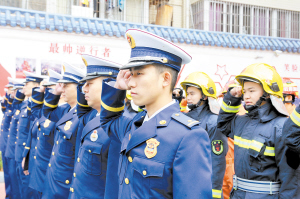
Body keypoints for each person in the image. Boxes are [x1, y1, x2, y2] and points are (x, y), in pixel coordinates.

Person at [100, 29, 212, 198]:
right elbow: (108, 121)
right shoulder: (135, 125)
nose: (130, 82)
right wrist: (117, 90)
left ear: (166, 79)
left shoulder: (188, 137)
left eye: (139, 73)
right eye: (131, 74)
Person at [217, 63, 298, 198]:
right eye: (245, 91)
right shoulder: (241, 121)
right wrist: (232, 98)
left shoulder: (281, 127)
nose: (246, 96)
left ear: (267, 93)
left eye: (252, 90)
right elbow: (223, 125)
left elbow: (290, 179)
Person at [68, 54, 122, 199]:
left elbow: (113, 186)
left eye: (90, 83)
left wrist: (114, 91)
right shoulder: (92, 117)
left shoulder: (118, 125)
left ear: (109, 85)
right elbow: (81, 109)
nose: (84, 89)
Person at [180, 72, 228, 199]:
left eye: (192, 94)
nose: (188, 97)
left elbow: (217, 162)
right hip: (184, 182)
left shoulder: (214, 122)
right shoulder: (182, 118)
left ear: (205, 96)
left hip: (205, 187)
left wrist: (214, 194)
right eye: (187, 94)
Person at [42, 63, 85, 199]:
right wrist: (55, 92)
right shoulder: (66, 109)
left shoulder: (83, 115)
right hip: (54, 180)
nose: (63, 89)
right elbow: (48, 112)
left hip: (65, 184)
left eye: (66, 86)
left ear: (79, 87)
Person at [27, 69, 64, 194]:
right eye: (47, 88)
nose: (49, 91)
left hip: (50, 172)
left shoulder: (61, 112)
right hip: (39, 170)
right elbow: (34, 110)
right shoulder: (47, 112)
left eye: (51, 88)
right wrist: (39, 90)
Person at [16, 71, 44, 199]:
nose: (24, 87)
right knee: (21, 189)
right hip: (24, 154)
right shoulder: (27, 105)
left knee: (29, 193)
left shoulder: (45, 109)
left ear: (37, 86)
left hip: (35, 161)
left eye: (27, 84)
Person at [4, 79, 24, 199]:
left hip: (18, 151)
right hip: (11, 148)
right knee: (10, 178)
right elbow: (5, 107)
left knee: (17, 186)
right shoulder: (17, 108)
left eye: (16, 90)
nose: (13, 93)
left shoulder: (24, 107)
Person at [0, 77, 14, 199]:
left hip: (15, 148)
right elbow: (4, 107)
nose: (10, 92)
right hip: (6, 144)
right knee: (8, 175)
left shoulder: (20, 106)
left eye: (12, 89)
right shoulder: (11, 107)